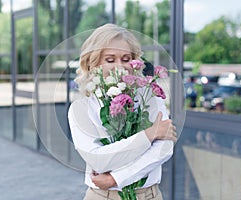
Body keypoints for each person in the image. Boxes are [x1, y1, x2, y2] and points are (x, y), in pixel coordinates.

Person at [68, 23, 177, 200]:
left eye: (126, 59)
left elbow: (164, 149)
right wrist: (150, 134)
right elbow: (98, 160)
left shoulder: (150, 98)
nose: (120, 66)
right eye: (110, 60)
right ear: (93, 63)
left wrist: (116, 178)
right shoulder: (81, 109)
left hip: (149, 196)